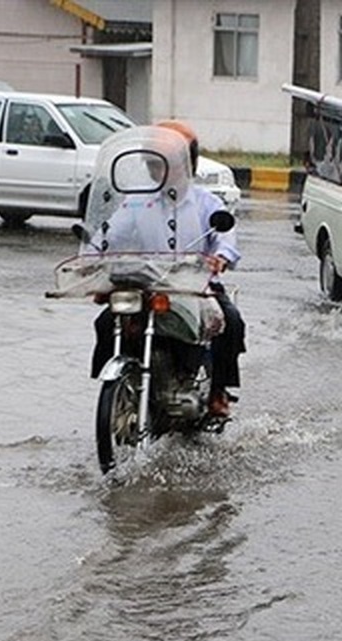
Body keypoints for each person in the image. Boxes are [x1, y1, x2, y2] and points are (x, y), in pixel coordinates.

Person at [88, 119, 246, 417]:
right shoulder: (136, 203)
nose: (155, 170)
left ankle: (218, 392)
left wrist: (220, 257)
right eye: (151, 164)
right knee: (106, 322)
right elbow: (109, 234)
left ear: (186, 164)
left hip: (194, 286)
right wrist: (92, 254)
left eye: (163, 163)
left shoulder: (206, 203)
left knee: (232, 322)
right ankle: (118, 385)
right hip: (146, 283)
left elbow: (226, 239)